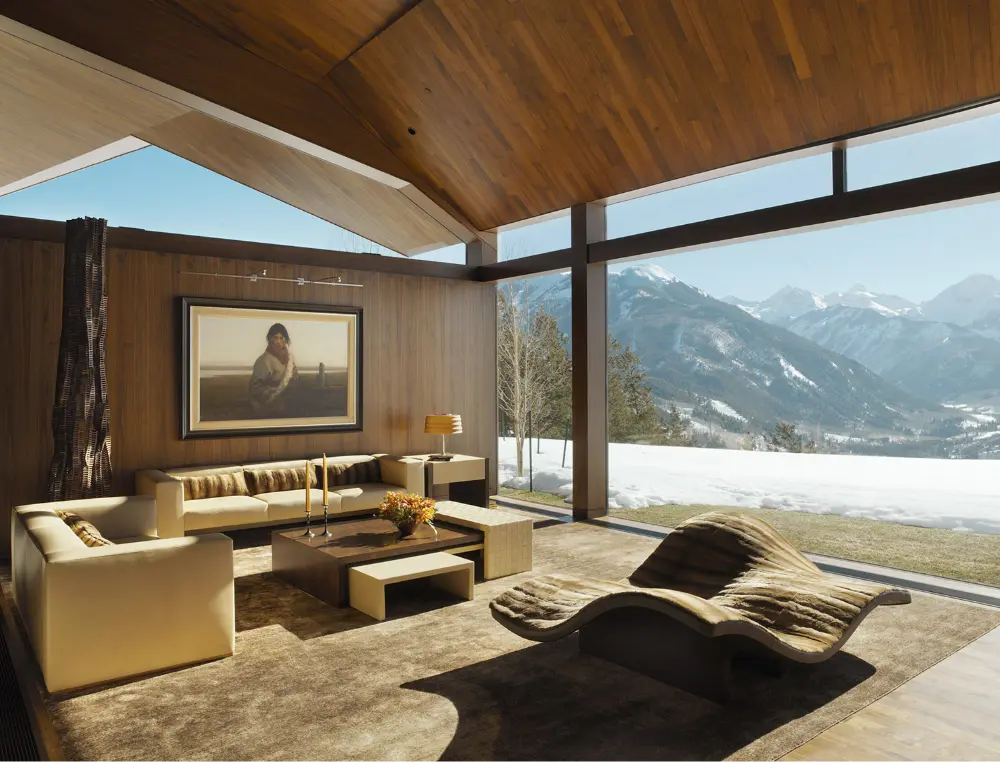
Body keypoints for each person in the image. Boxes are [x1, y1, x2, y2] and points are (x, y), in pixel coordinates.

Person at [249, 323, 299, 414]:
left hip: (290, 404)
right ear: (270, 339)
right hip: (271, 407)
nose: (278, 341)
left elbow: (295, 377)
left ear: (285, 340)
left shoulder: (289, 358)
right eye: (275, 338)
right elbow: (255, 388)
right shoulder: (264, 360)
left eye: (281, 338)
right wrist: (274, 393)